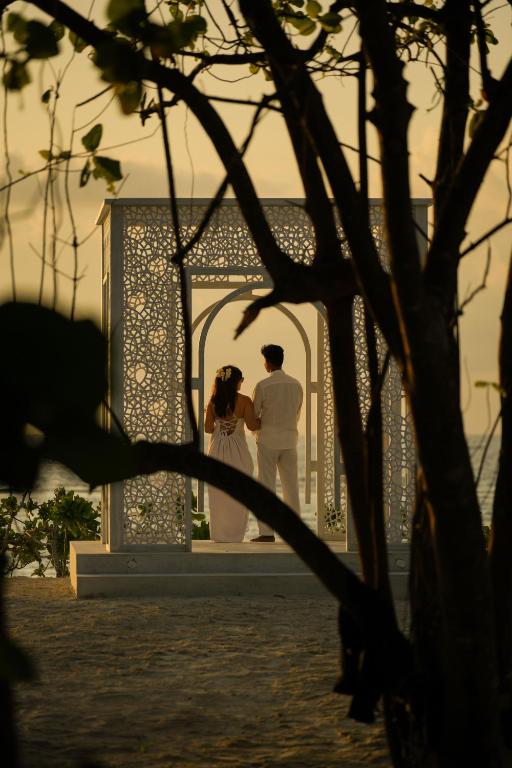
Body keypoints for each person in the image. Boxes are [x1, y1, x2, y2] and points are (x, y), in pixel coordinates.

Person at [251, 344, 303, 542]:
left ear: (268, 362)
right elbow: (297, 413)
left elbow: (254, 416)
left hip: (267, 440)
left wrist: (257, 431)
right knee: (291, 487)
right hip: (290, 440)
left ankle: (266, 532)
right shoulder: (296, 384)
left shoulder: (263, 385)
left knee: (266, 486)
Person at [205, 365, 260, 543]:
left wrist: (218, 426)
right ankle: (236, 536)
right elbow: (252, 426)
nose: (242, 383)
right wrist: (265, 419)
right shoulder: (244, 401)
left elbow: (207, 428)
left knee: (218, 495)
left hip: (217, 450)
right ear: (236, 381)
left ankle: (220, 536)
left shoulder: (213, 402)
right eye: (241, 380)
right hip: (238, 451)